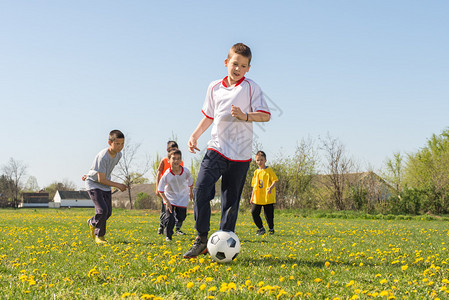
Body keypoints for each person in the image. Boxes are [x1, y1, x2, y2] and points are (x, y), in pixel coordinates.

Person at [183, 43, 271, 258]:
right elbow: (209, 116)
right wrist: (195, 135)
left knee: (230, 204)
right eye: (234, 64)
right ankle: (201, 238)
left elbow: (265, 115)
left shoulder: (251, 87)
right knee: (201, 190)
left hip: (240, 155)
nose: (237, 69)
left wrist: (245, 116)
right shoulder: (214, 86)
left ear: (248, 68)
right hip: (217, 148)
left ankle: (224, 245)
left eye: (243, 65)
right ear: (226, 63)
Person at [84, 130, 127, 244]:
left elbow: (103, 172)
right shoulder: (103, 156)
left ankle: (92, 222)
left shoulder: (119, 155)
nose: (120, 146)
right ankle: (99, 236)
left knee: (108, 213)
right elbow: (101, 179)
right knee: (102, 210)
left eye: (122, 144)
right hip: (94, 184)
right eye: (117, 143)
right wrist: (118, 185)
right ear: (109, 142)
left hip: (104, 185)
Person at [157, 149, 194, 241]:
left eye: (178, 159)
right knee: (170, 218)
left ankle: (176, 222)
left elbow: (190, 182)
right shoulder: (167, 174)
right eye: (174, 159)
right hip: (170, 198)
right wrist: (166, 201)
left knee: (181, 217)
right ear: (168, 160)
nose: (176, 161)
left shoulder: (185, 171)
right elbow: (160, 189)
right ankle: (168, 236)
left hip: (182, 197)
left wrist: (191, 192)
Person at [156, 141, 185, 235]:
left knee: (178, 212)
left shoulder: (180, 162)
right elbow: (159, 174)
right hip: (165, 190)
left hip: (177, 191)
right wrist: (157, 187)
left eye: (176, 149)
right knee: (165, 210)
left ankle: (177, 229)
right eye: (172, 150)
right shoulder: (164, 161)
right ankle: (161, 226)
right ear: (167, 150)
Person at [250, 151, 278, 235]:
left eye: (261, 160)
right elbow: (254, 186)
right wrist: (252, 197)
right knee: (254, 212)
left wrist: (270, 187)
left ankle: (271, 229)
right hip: (257, 197)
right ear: (256, 161)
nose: (260, 162)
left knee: (268, 215)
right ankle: (261, 228)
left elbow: (275, 180)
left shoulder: (269, 170)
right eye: (258, 160)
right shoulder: (256, 172)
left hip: (267, 197)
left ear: (265, 160)